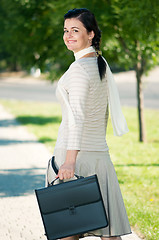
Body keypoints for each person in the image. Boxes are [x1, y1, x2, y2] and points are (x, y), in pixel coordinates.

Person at [47, 8, 131, 240]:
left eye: (76, 30)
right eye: (65, 30)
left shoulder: (79, 70)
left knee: (67, 232)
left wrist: (69, 162)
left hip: (76, 158)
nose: (68, 35)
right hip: (99, 158)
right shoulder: (99, 62)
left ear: (91, 34)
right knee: (108, 232)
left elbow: (77, 118)